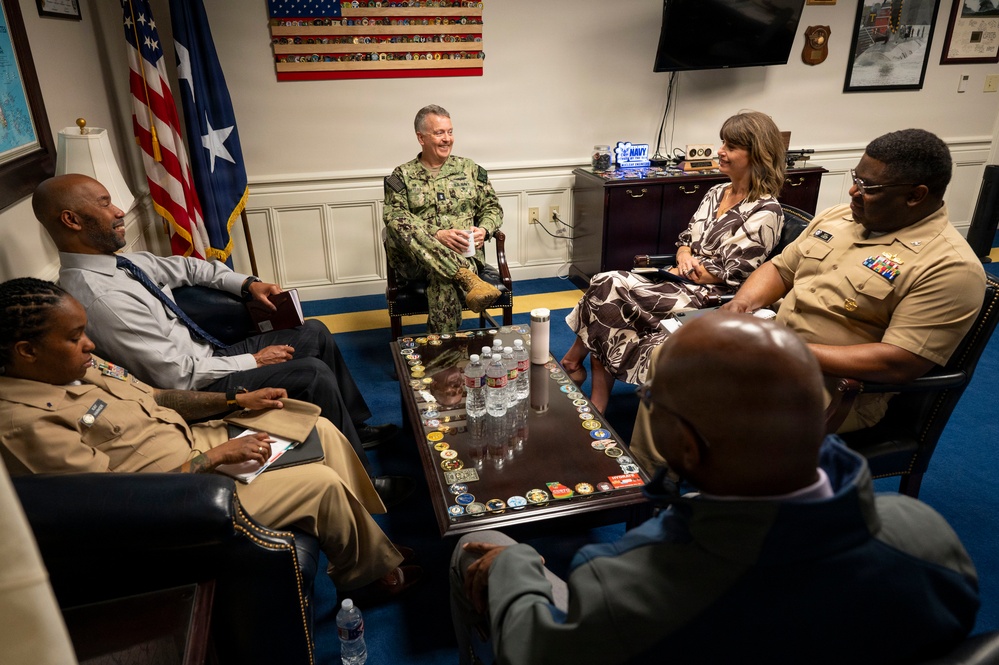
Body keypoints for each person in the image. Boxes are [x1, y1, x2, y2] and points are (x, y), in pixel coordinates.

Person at [450, 311, 979, 665]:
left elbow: (534, 650)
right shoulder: (929, 541)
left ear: (686, 445)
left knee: (481, 549)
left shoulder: (623, 584)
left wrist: (518, 568)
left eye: (652, 401)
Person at [0, 278, 421, 604]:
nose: (89, 344)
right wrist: (213, 458)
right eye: (74, 337)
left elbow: (158, 397)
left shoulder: (75, 367)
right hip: (176, 496)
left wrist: (236, 398)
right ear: (27, 351)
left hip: (195, 442)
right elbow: (107, 504)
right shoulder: (24, 423)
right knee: (320, 484)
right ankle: (367, 578)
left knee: (319, 429)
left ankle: (361, 539)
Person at [32, 174, 411, 506]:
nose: (119, 211)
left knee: (313, 332)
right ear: (72, 220)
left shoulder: (119, 263)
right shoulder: (101, 298)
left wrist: (247, 284)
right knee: (310, 373)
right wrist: (254, 361)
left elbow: (188, 267)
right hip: (200, 384)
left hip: (209, 355)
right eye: (104, 203)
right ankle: (362, 481)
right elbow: (175, 378)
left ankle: (355, 428)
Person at [630, 128, 988, 473]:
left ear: (915, 195)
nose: (853, 191)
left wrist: (782, 347)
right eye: (855, 178)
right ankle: (653, 484)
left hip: (834, 389)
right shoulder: (840, 217)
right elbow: (780, 270)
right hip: (774, 350)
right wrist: (739, 308)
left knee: (707, 393)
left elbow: (899, 363)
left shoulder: (949, 266)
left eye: (868, 187)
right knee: (672, 354)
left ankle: (714, 507)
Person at [562, 110, 786, 412]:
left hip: (712, 296)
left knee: (610, 295)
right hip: (679, 279)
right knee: (606, 281)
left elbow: (734, 272)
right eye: (722, 143)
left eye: (731, 147)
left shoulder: (767, 211)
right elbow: (685, 240)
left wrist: (689, 268)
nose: (720, 151)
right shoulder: (717, 191)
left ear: (758, 154)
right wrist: (683, 256)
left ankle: (581, 374)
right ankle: (588, 384)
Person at [383, 104, 504, 333]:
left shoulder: (469, 169)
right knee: (395, 219)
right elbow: (394, 217)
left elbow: (493, 208)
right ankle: (463, 275)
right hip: (415, 262)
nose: (447, 139)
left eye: (450, 132)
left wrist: (484, 230)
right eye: (439, 133)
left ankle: (441, 357)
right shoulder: (402, 175)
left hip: (465, 253)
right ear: (421, 137)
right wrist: (437, 235)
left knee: (443, 277)